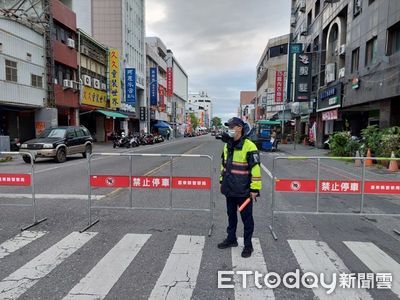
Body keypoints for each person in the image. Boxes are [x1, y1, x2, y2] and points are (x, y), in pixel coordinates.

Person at [218, 117, 262, 258]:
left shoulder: (250, 146)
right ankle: (231, 239)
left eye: (231, 126)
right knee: (231, 216)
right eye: (228, 126)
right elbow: (224, 165)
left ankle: (248, 246)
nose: (229, 129)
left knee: (247, 220)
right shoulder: (227, 145)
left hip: (244, 192)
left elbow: (255, 169)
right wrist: (221, 180)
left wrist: (255, 189)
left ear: (239, 128)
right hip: (229, 190)